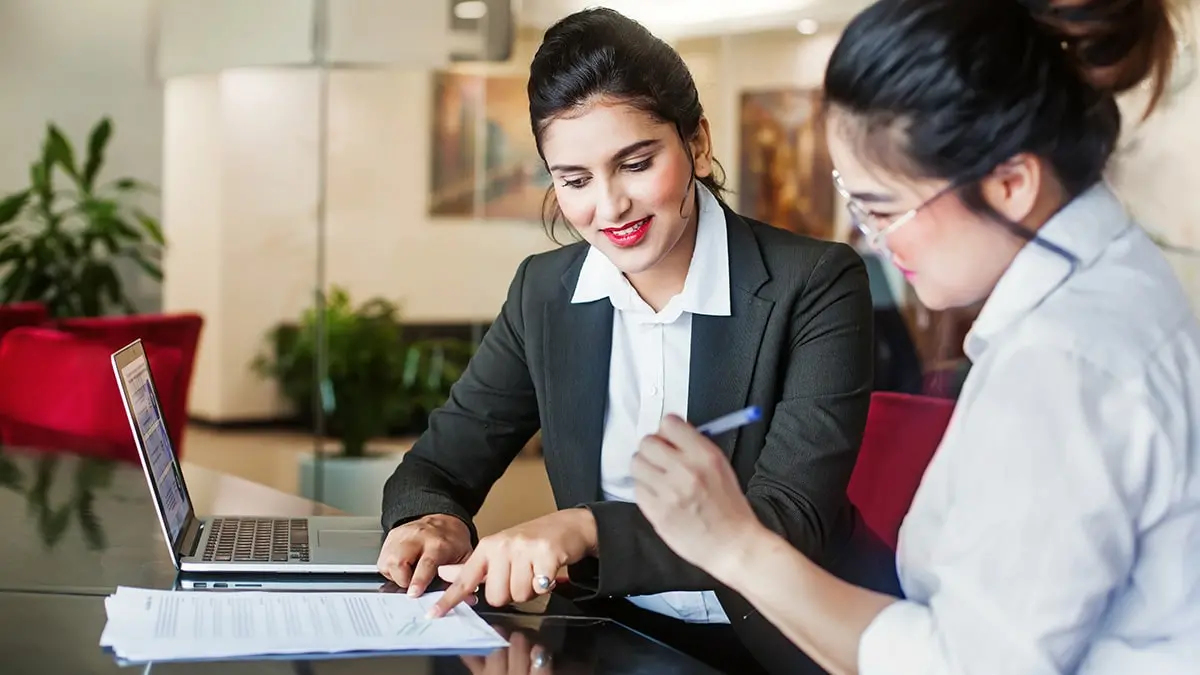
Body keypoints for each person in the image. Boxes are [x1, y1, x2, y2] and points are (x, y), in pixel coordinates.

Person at [631, 0, 1200, 673]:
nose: (873, 240)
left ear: (1011, 183)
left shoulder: (1062, 366)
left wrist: (733, 544)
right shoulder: (1115, 279)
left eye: (885, 208)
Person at [377, 7, 894, 674]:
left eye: (637, 162)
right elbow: (437, 466)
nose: (610, 206)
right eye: (575, 179)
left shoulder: (816, 283)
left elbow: (788, 519)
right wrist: (432, 519)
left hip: (788, 643)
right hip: (610, 636)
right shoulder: (544, 293)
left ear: (698, 144)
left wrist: (582, 527)